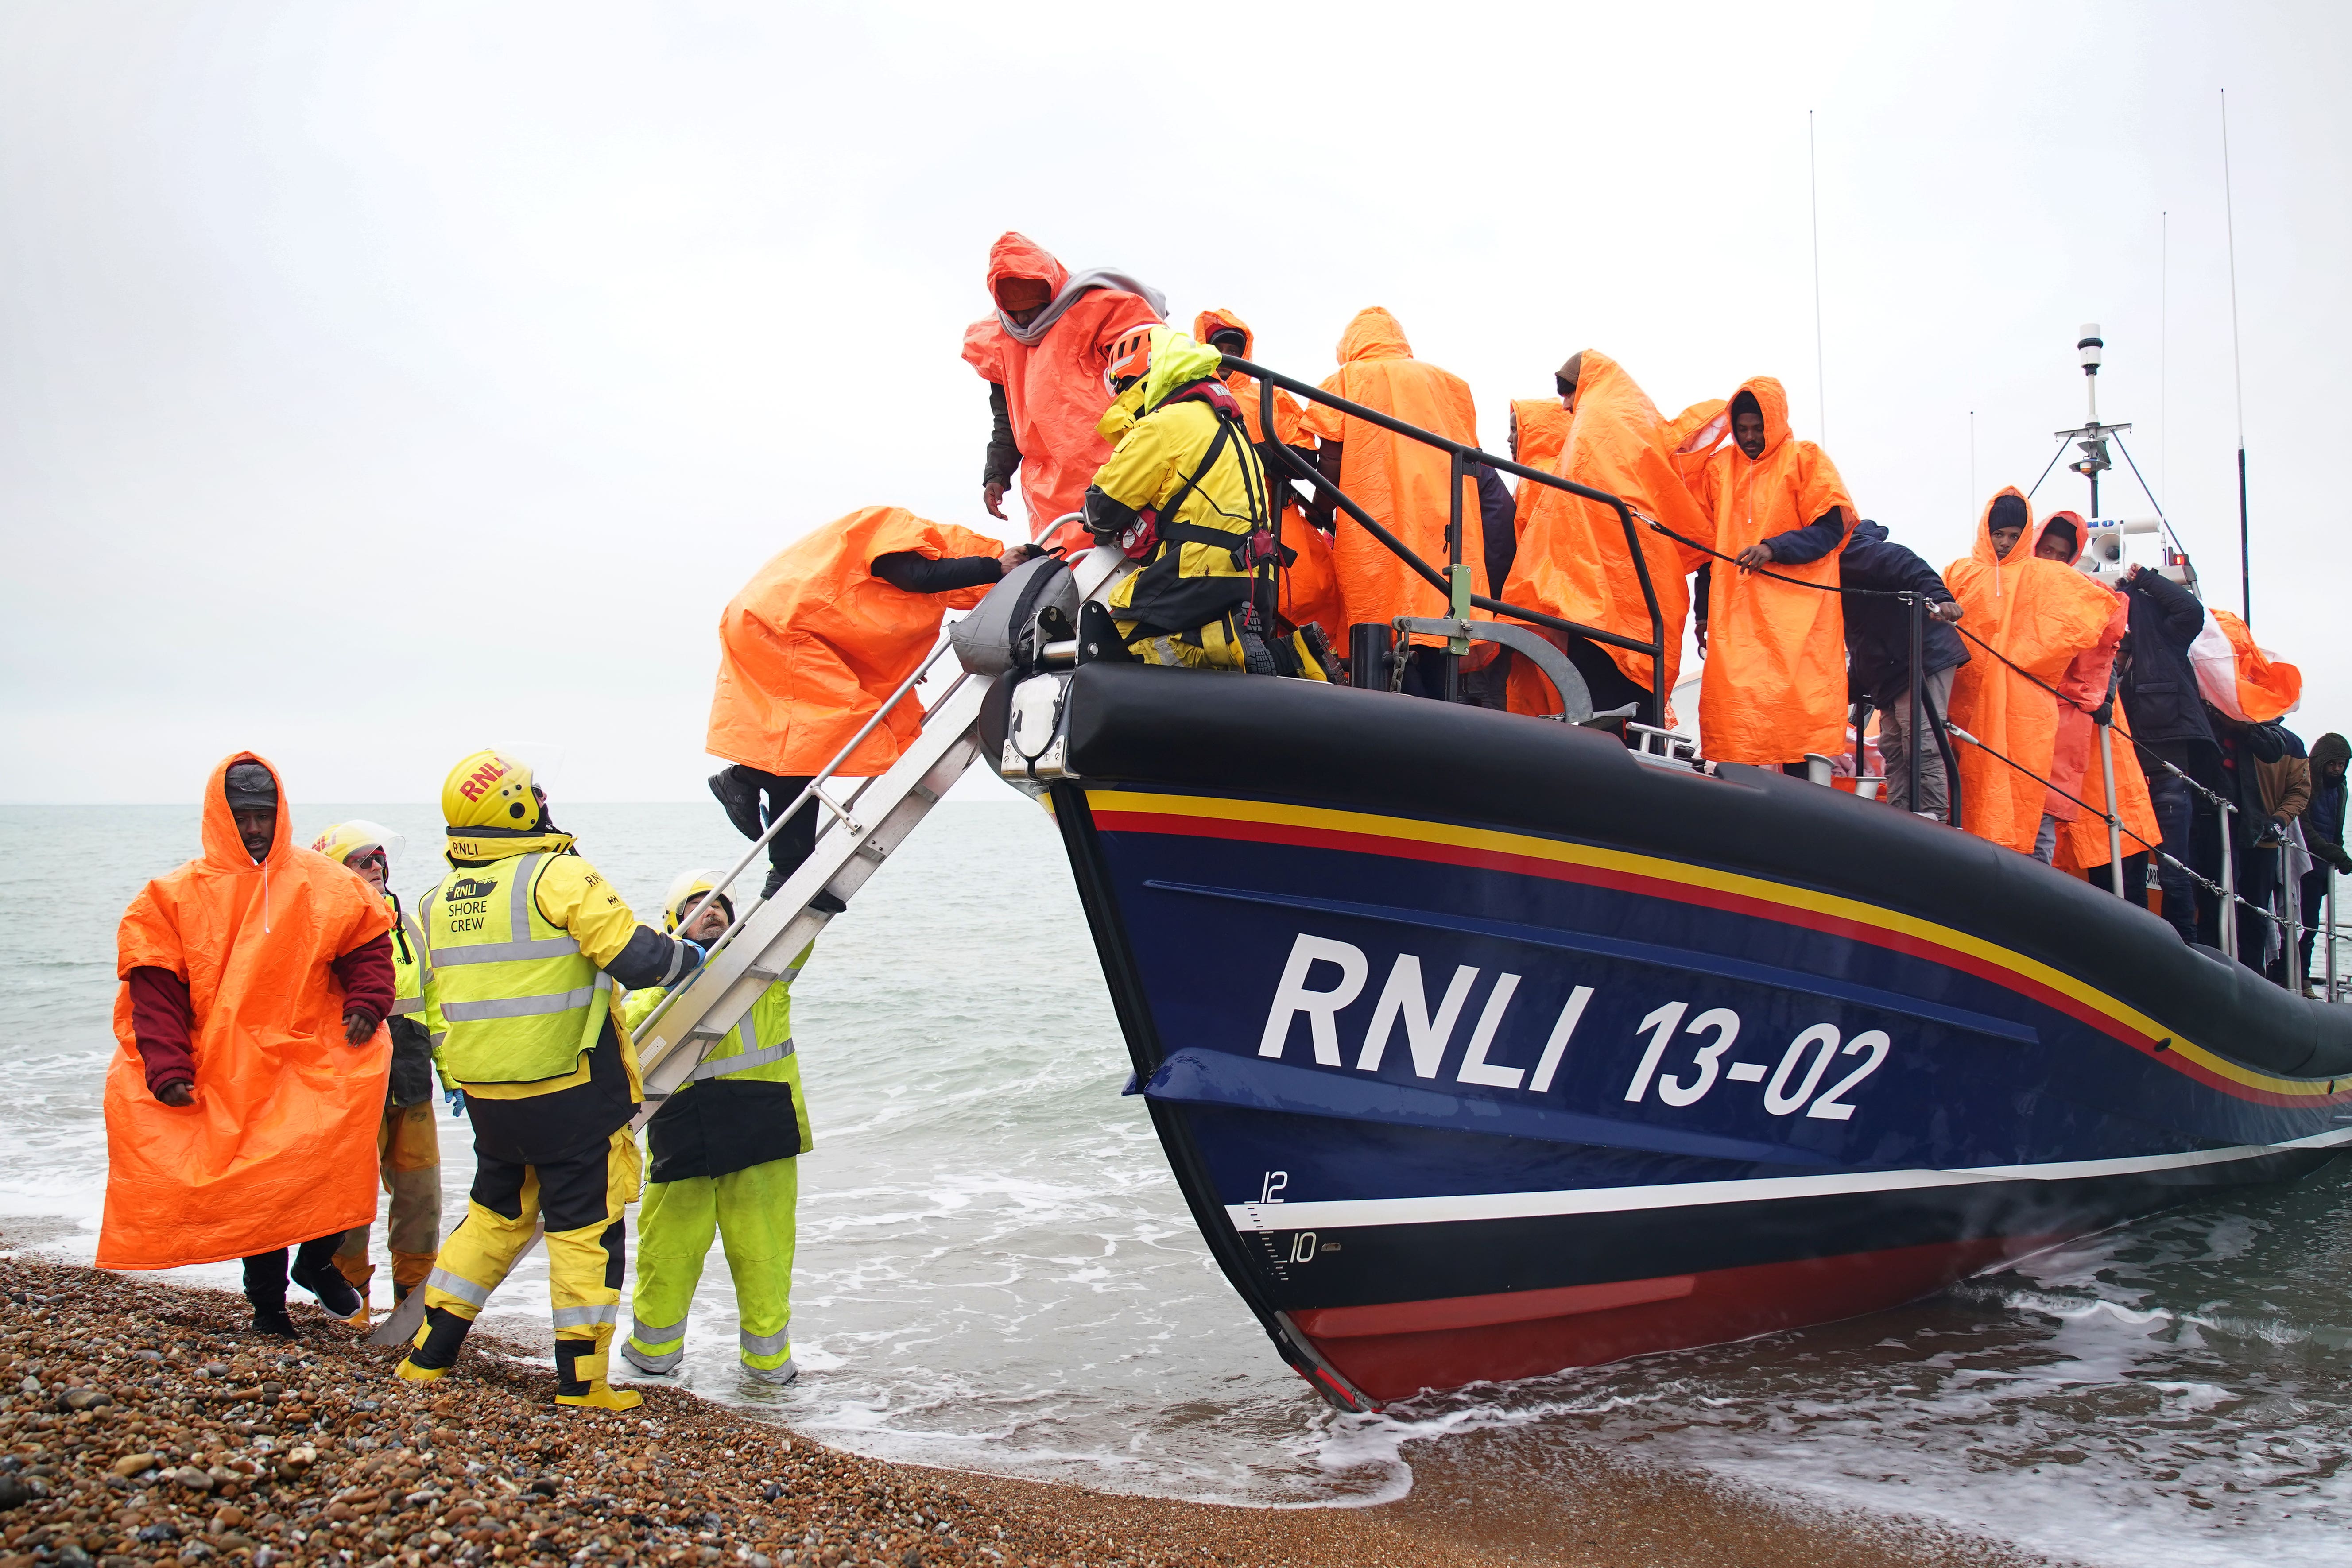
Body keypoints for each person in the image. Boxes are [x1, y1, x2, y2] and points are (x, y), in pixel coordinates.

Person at [397, 751, 712, 1411]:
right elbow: (637, 958)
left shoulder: (436, 900)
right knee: (585, 1230)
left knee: (493, 1217)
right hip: (570, 1093)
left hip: (490, 1099)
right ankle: (582, 1385)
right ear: (514, 806)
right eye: (532, 793)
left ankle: (429, 1355)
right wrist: (689, 954)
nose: (542, 799)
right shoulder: (558, 875)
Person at [101, 755, 392, 1336]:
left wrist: (366, 1003)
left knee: (335, 1160)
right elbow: (153, 989)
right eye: (243, 817)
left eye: (264, 815)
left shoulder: (325, 881)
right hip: (225, 1066)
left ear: (280, 814)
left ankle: (316, 1264)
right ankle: (268, 1308)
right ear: (219, 817)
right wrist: (166, 1066)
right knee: (257, 1190)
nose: (254, 828)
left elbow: (368, 945)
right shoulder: (172, 896)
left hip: (310, 1053)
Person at [707, 507, 1022, 899]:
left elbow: (857, 609)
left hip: (781, 625)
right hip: (779, 629)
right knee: (811, 745)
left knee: (803, 753)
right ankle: (752, 793)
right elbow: (919, 576)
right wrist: (994, 565)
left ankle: (787, 871)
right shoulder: (898, 527)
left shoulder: (888, 544)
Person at [620, 874, 814, 1385]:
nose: (712, 911)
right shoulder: (651, 987)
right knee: (667, 1251)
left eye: (721, 905)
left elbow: (806, 926)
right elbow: (630, 1036)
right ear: (672, 924)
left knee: (765, 1254)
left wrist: (793, 877)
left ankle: (770, 1367)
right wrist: (676, 979)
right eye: (697, 906)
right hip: (684, 1132)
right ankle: (651, 1357)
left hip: (760, 1129)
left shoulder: (767, 967)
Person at [1080, 326, 1331, 678]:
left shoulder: (1162, 425)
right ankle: (1292, 656)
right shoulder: (1227, 424)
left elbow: (1102, 510)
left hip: (1201, 569)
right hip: (1257, 573)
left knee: (1118, 636)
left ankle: (1226, 643)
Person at [1504, 352, 1715, 727]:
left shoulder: (1594, 423)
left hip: (1601, 592)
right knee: (1629, 693)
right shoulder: (1634, 418)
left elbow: (1578, 512)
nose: (1564, 404)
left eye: (1568, 393)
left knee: (1603, 694)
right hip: (1637, 583)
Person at [1298, 308, 1480, 696]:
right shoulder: (1450, 385)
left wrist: (1320, 509)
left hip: (1378, 523)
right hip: (1445, 525)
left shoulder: (1348, 379)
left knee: (1382, 621)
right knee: (1439, 617)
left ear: (1351, 345)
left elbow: (1330, 457)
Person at [1688, 379, 1857, 767]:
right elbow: (1706, 549)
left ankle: (1805, 815)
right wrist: (1701, 613)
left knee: (1800, 726)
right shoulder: (1717, 471)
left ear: (1775, 422)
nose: (1749, 438)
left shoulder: (1805, 459)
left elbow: (1830, 529)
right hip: (1736, 622)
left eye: (1757, 428)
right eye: (1742, 429)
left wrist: (1773, 548)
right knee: (1736, 724)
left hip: (1799, 623)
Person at [964, 232, 1165, 552]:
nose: (1026, 319)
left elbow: (1146, 376)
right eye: (1016, 312)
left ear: (1051, 289)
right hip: (1049, 489)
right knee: (1069, 574)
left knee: (1135, 560)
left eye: (1033, 308)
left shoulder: (1101, 309)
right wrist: (997, 474)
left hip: (1115, 465)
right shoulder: (997, 342)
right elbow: (1007, 420)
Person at [313, 822, 445, 1308]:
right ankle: (350, 1304)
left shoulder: (408, 925)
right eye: (361, 859)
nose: (375, 867)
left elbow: (433, 1004)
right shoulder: (319, 929)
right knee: (348, 1198)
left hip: (410, 1072)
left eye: (379, 858)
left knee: (421, 1196)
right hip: (348, 1078)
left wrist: (450, 1075)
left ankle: (413, 1305)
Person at [1944, 492, 2119, 854]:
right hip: (1964, 708)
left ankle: (2030, 894)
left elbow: (2109, 615)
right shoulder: (1958, 571)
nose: (2005, 543)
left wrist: (2092, 691)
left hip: (2024, 715)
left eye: (2013, 535)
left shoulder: (2046, 576)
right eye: (1999, 534)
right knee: (1969, 797)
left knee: (2027, 800)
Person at [1196, 308, 1341, 639]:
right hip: (1212, 517)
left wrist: (1258, 455)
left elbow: (1304, 457)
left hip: (1274, 518)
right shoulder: (1188, 398)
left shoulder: (1269, 395)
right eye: (1219, 349)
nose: (1226, 357)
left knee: (1307, 593)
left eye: (1235, 350)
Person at [2117, 561, 2221, 942]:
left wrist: (2144, 580)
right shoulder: (2103, 654)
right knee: (2127, 867)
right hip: (2125, 771)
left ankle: (2186, 949)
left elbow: (2190, 610)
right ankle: (2139, 946)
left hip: (2167, 767)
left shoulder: (2167, 636)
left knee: (2173, 866)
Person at [1837, 519, 1968, 819]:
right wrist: (1844, 689)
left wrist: (1941, 598)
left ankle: (1933, 819)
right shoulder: (1842, 564)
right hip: (1893, 667)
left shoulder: (1856, 552)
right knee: (1894, 749)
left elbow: (1908, 564)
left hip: (1921, 657)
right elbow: (1861, 637)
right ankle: (1901, 818)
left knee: (1921, 743)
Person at [2300, 732, 2349, 992]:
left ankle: (2302, 975)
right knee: (2301, 924)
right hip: (2304, 865)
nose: (2337, 769)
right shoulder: (2307, 784)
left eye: (2341, 764)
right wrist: (2334, 853)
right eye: (2332, 764)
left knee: (2311, 926)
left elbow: (2336, 830)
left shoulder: (2341, 790)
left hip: (2322, 868)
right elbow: (2305, 828)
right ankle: (2298, 977)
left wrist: (2337, 853)